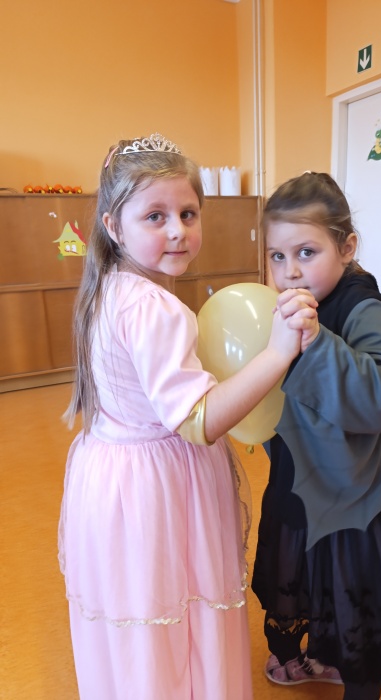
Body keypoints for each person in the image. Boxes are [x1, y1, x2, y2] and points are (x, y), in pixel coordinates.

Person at [58, 133, 318, 700]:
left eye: (187, 213)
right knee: (180, 610)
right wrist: (278, 352)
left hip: (113, 479)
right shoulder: (155, 308)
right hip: (158, 489)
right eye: (155, 216)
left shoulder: (106, 290)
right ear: (113, 225)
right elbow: (197, 421)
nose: (177, 230)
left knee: (138, 619)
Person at [252, 171, 381, 700]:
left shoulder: (362, 307)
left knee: (355, 591)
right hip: (301, 476)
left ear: (346, 248)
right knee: (303, 571)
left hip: (357, 495)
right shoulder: (286, 305)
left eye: (306, 253)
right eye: (277, 256)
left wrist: (318, 341)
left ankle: (357, 678)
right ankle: (311, 654)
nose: (289, 271)